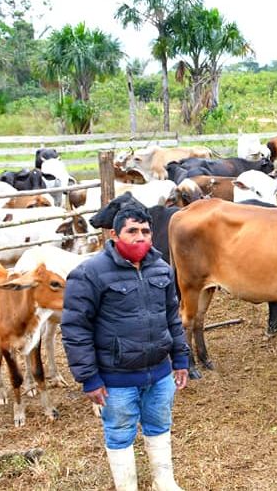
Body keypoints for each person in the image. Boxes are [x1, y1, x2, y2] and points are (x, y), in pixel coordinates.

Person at [61, 206, 190, 491]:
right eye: (132, 231)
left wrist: (180, 358)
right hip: (115, 377)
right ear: (113, 234)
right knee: (119, 434)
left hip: (158, 373)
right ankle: (126, 487)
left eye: (145, 231)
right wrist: (89, 377)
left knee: (159, 426)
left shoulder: (161, 269)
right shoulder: (89, 274)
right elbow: (75, 329)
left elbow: (172, 316)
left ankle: (163, 481)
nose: (140, 237)